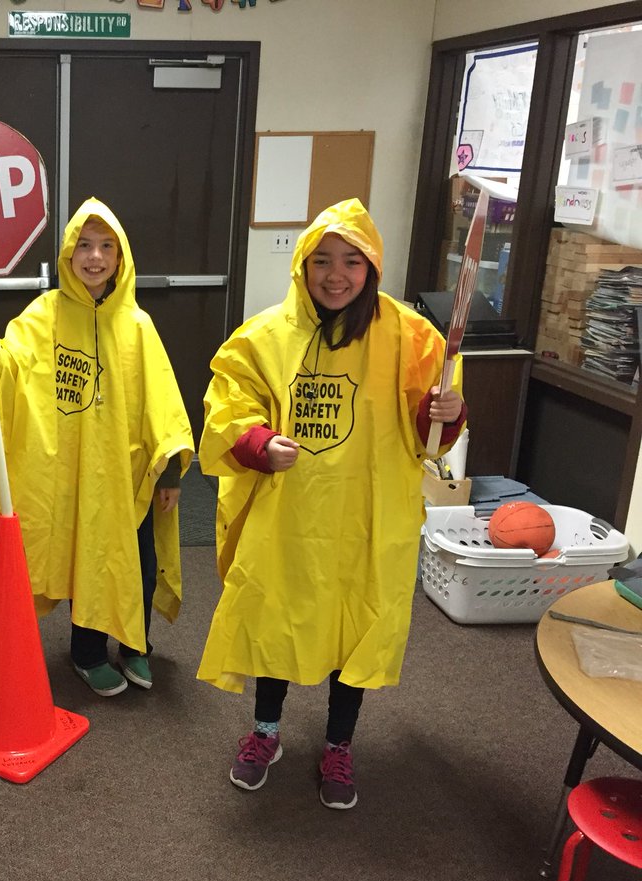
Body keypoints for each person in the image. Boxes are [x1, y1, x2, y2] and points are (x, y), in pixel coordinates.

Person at [196, 198, 465, 811]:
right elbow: (229, 403)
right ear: (303, 265)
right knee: (275, 615)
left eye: (352, 260)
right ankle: (266, 731)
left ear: (371, 267)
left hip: (369, 517)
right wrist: (258, 442)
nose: (336, 274)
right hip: (288, 515)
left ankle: (340, 742)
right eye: (322, 260)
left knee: (356, 624)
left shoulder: (411, 336)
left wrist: (444, 415)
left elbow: (430, 430)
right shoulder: (265, 336)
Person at [0, 197, 194, 697]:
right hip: (77, 469)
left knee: (139, 558)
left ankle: (135, 645)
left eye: (106, 246)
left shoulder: (137, 325)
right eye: (84, 245)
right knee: (90, 555)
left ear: (121, 256)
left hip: (131, 472)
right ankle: (87, 653)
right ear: (68, 254)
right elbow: (7, 375)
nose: (95, 256)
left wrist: (170, 472)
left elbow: (164, 404)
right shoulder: (43, 316)